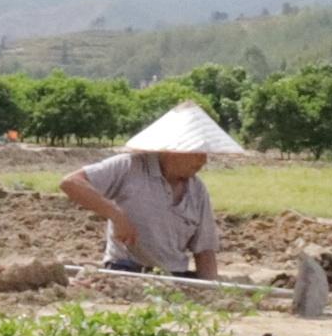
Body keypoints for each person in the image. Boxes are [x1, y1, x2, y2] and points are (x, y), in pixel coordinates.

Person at [60, 101, 242, 277]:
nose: (203, 161)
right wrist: (116, 214)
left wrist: (211, 291)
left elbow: (204, 251)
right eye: (197, 154)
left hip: (173, 276)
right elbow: (71, 183)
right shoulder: (129, 167)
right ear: (172, 150)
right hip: (127, 271)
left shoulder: (197, 190)